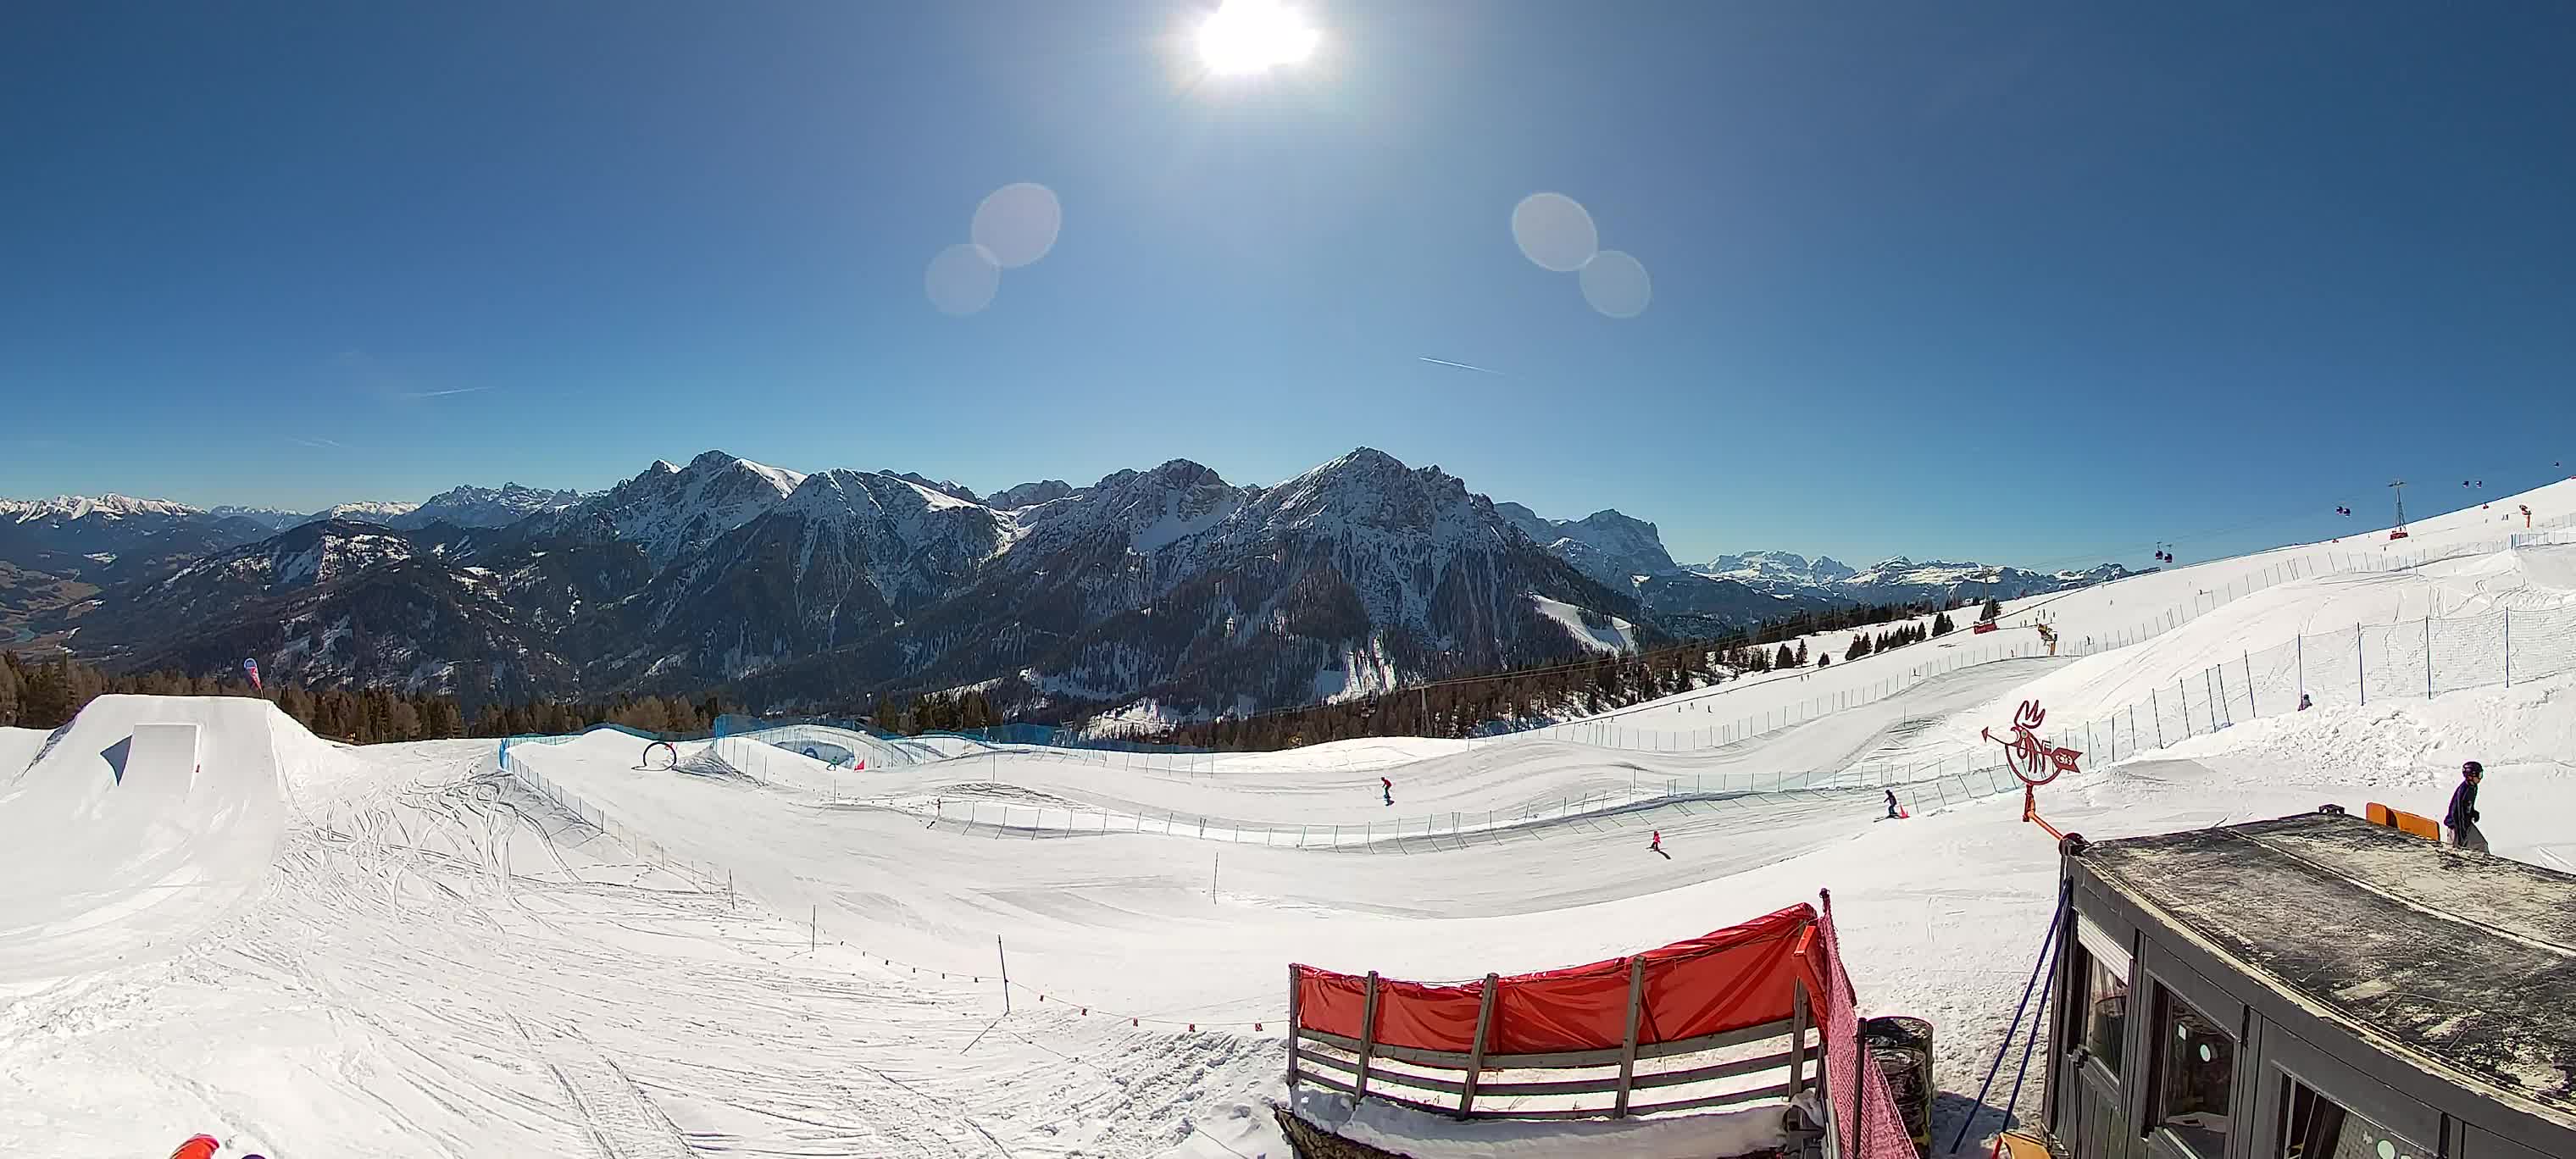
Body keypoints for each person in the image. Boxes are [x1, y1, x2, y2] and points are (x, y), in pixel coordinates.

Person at [2446, 762, 2487, 853]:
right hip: (2456, 826)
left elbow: (2467, 806)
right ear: (2470, 776)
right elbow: (2456, 811)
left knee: (2481, 845)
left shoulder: (2473, 787)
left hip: (2465, 824)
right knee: (2454, 851)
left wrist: (2473, 812)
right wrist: (2461, 831)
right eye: (2479, 775)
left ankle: (2483, 865)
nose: (2481, 778)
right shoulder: (2464, 790)